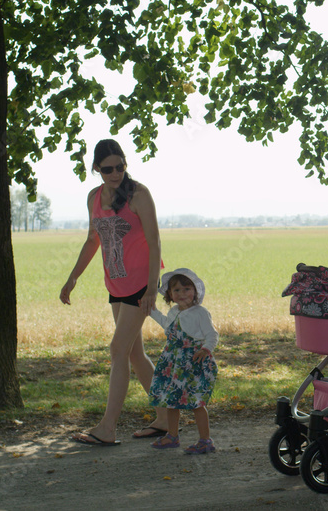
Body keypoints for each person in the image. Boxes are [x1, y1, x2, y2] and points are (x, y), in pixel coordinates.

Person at [61, 138, 167, 445]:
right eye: (108, 168)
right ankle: (164, 418)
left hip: (140, 285)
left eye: (120, 166)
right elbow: (92, 240)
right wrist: (72, 278)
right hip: (115, 283)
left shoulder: (139, 195)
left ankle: (107, 428)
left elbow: (155, 241)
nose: (115, 173)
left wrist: (151, 288)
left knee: (118, 350)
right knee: (134, 354)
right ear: (96, 168)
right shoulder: (94, 197)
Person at [147, 268, 219, 454]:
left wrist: (206, 349)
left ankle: (205, 440)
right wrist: (150, 310)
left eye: (186, 289)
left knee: (196, 402)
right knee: (171, 400)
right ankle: (172, 435)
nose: (182, 294)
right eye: (176, 290)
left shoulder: (200, 313)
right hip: (173, 363)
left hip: (192, 363)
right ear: (170, 294)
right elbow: (166, 324)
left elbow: (212, 334)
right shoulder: (174, 312)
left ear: (195, 291)